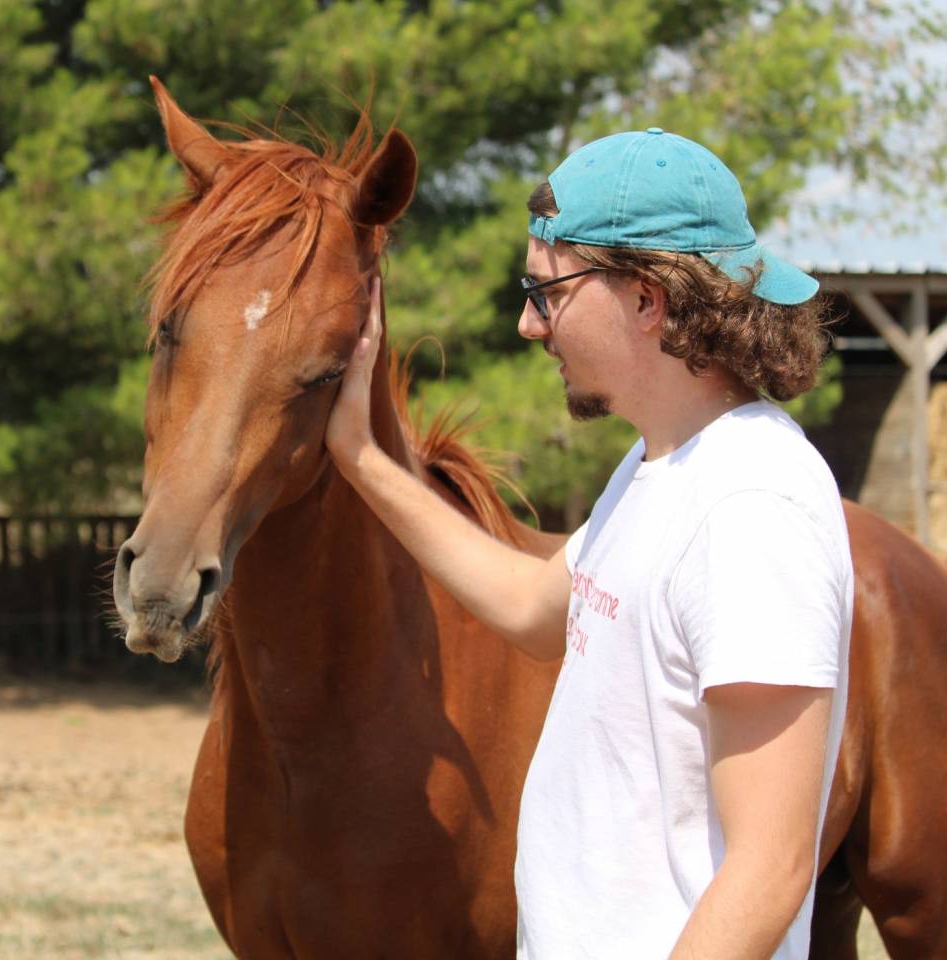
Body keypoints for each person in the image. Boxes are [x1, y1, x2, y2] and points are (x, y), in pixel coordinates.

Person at [326, 128, 852, 960]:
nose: (529, 324)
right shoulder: (661, 466)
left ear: (649, 299)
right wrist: (361, 460)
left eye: (547, 291)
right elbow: (535, 610)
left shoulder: (752, 507)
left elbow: (770, 867)